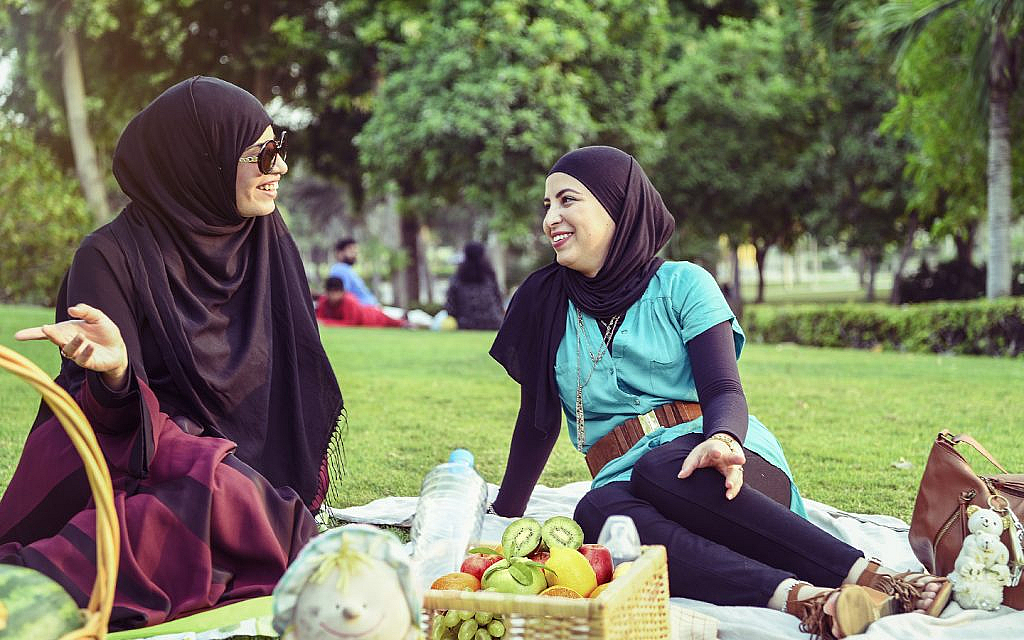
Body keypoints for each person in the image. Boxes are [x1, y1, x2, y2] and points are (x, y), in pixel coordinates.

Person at [488, 146, 950, 639]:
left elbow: (724, 387)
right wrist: (503, 517)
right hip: (629, 484)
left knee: (662, 466)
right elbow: (538, 421)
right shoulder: (545, 303)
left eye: (566, 200)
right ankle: (806, 600)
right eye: (546, 206)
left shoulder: (683, 284)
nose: (551, 218)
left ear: (615, 207)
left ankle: (879, 578)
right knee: (596, 512)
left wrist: (724, 440)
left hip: (726, 472)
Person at [0, 76, 342, 630]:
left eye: (281, 147)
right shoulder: (108, 257)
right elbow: (110, 425)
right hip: (127, 453)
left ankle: (236, 511)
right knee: (178, 513)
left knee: (250, 510)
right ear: (199, 162)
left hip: (226, 465)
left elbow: (290, 377)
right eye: (264, 154)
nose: (280, 167)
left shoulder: (266, 241)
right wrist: (115, 373)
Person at [445, 241, 505, 330]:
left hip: (466, 323)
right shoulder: (489, 275)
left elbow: (451, 306)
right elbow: (498, 299)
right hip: (493, 322)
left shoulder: (458, 278)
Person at [317, 277, 406, 327]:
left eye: (336, 291)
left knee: (394, 322)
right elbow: (318, 319)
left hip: (371, 316)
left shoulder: (349, 301)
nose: (333, 295)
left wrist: (325, 322)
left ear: (342, 292)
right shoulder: (323, 301)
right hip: (369, 314)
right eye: (330, 292)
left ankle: (407, 323)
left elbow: (350, 323)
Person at [329, 238, 379, 306]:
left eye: (355, 250)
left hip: (370, 308)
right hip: (362, 311)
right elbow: (341, 297)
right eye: (350, 250)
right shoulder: (340, 270)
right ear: (339, 253)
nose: (354, 253)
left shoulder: (348, 270)